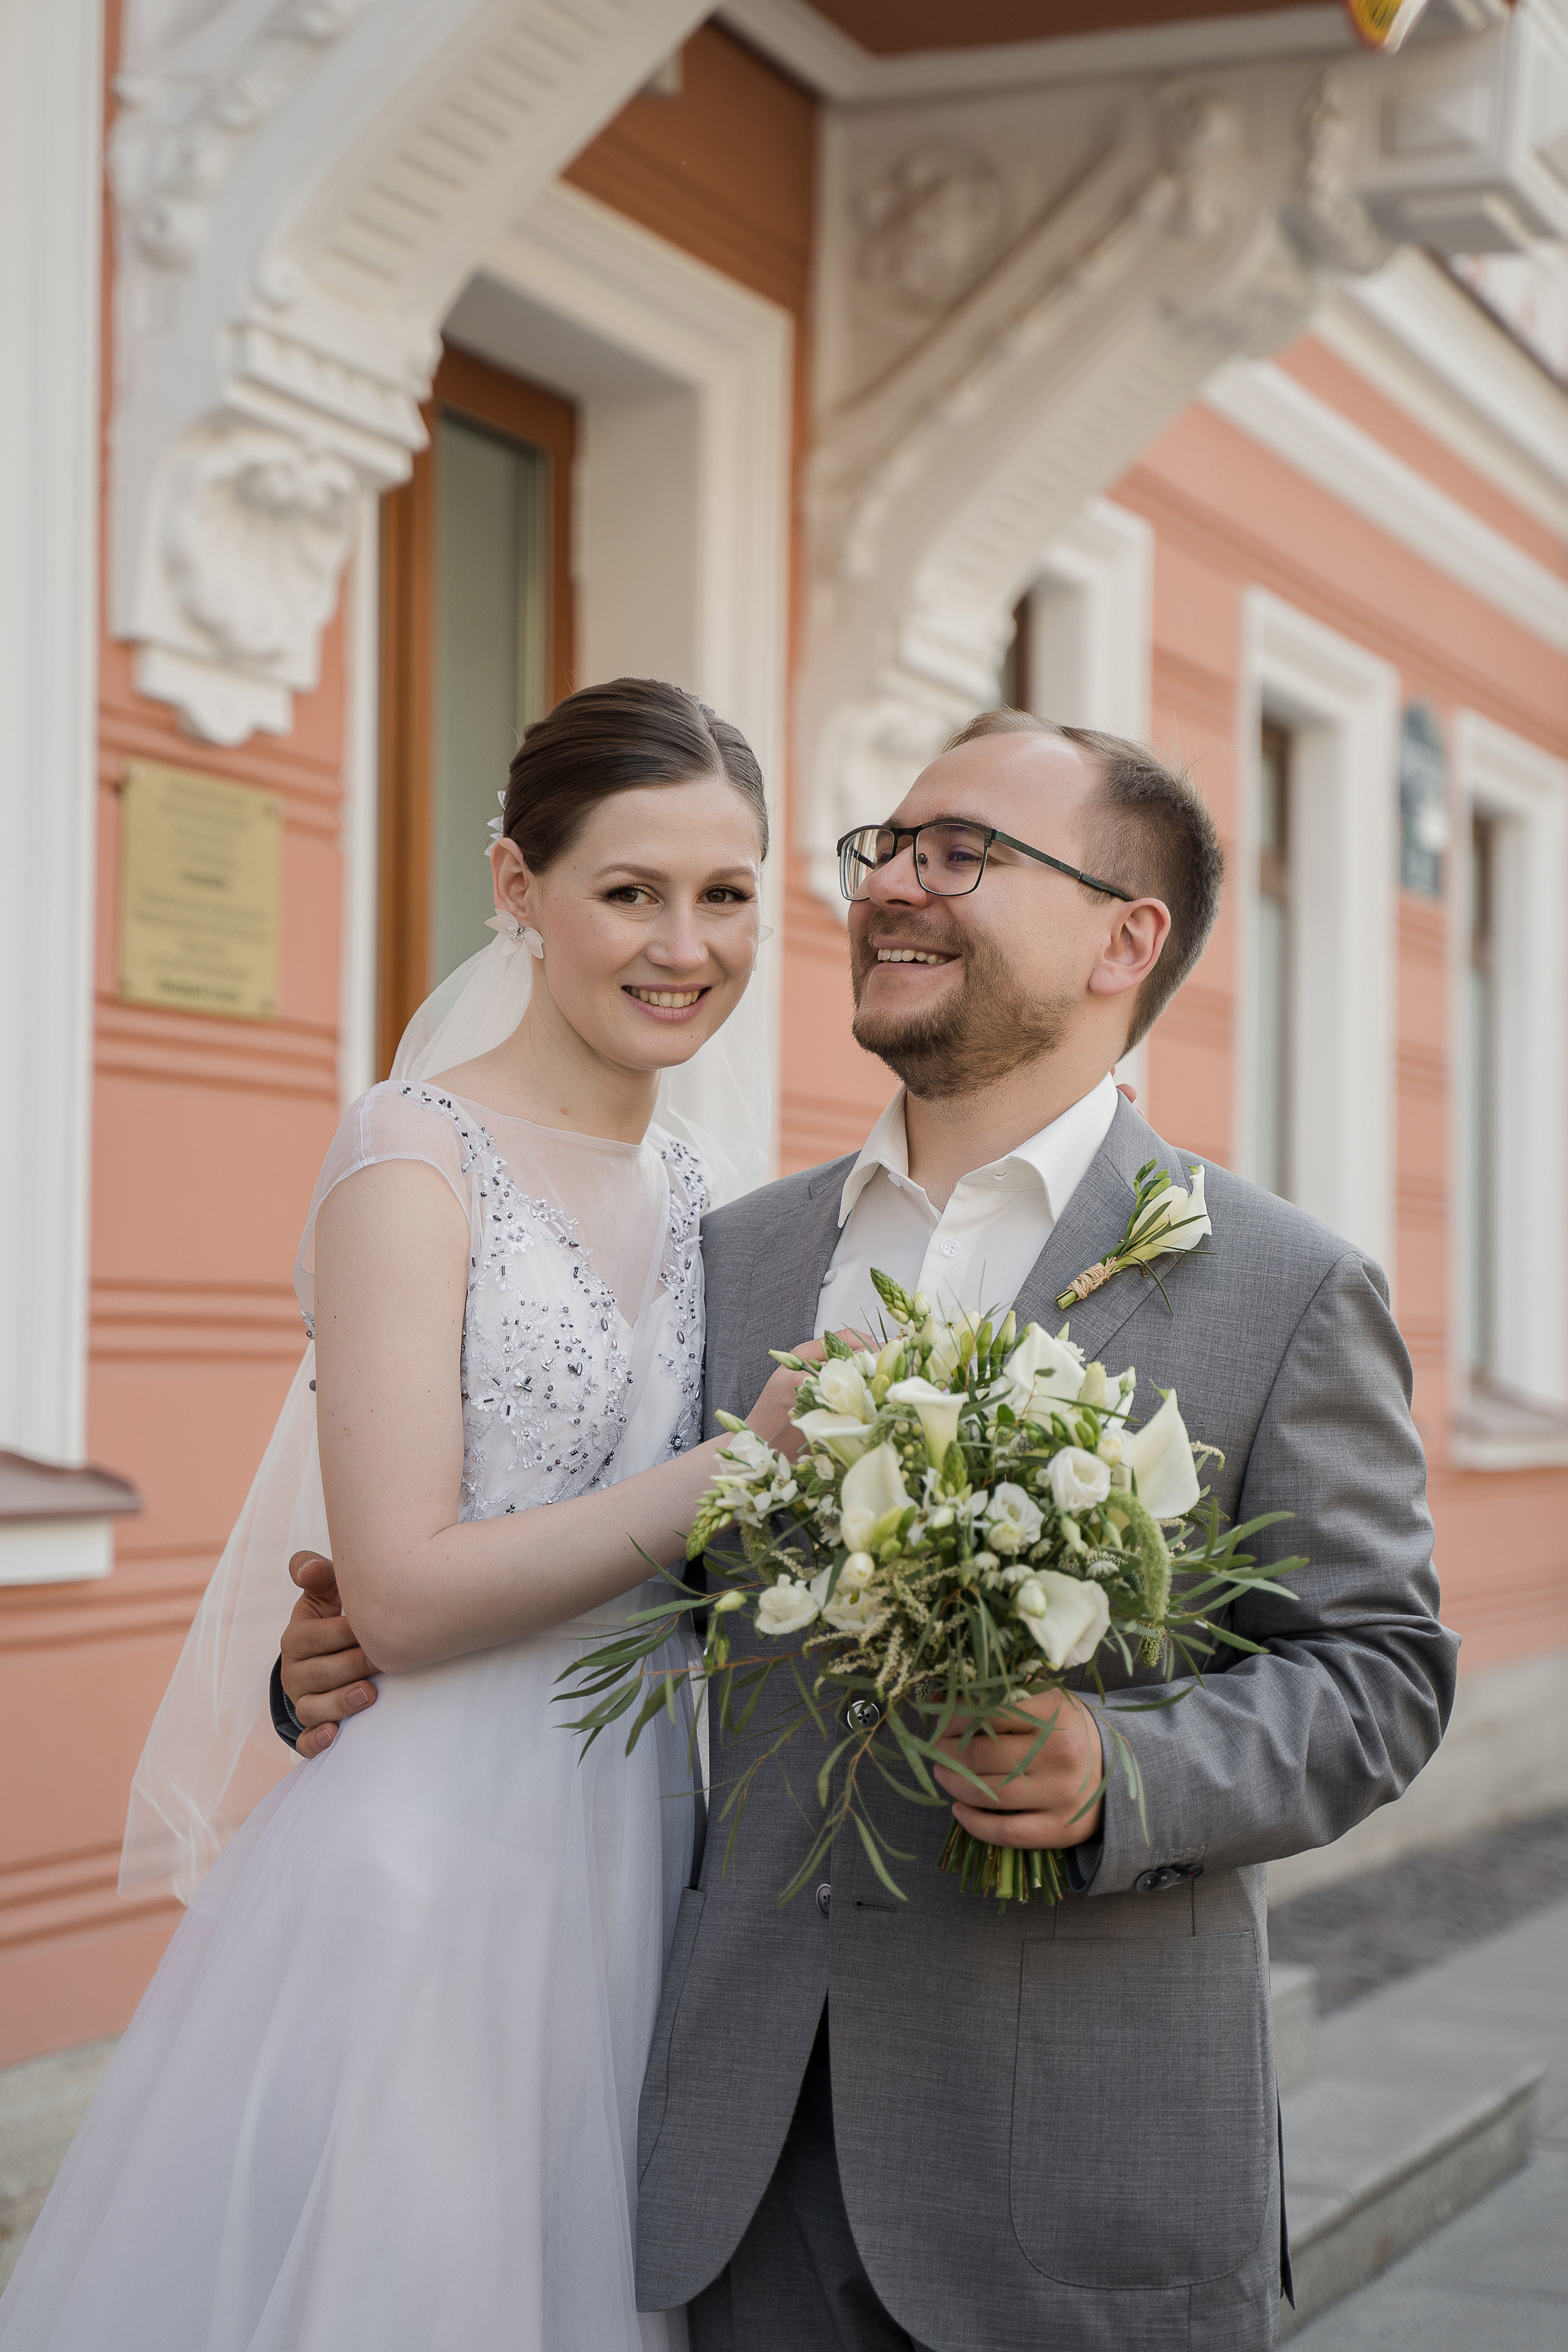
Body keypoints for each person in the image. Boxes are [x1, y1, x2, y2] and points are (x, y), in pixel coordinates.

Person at [285, 707, 1457, 2352]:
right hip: (737, 2180)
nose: (899, 885)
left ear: (1130, 938)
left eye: (965, 853)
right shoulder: (735, 1256)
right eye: (888, 847)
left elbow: (1383, 1673)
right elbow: (586, 1550)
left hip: (1075, 2194)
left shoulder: (1278, 1284)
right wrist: (340, 1652)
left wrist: (1124, 1772)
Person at [0, 679, 808, 2352]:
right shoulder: (409, 1160)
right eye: (630, 892)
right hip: (445, 1856)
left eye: (726, 895)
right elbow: (407, 1591)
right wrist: (741, 1472)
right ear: (520, 891)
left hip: (652, 1854)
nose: (686, 945)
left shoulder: (720, 1197)